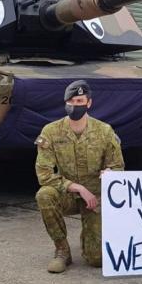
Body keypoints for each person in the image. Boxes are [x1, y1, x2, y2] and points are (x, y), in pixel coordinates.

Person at [34, 80, 124, 273]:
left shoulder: (104, 131)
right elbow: (45, 175)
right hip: (68, 194)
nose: (76, 105)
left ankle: (90, 238)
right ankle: (62, 250)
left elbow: (118, 166)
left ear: (89, 103)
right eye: (72, 101)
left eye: (80, 101)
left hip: (95, 199)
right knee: (45, 195)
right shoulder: (51, 132)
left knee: (96, 260)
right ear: (66, 103)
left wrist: (111, 173)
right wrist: (78, 188)